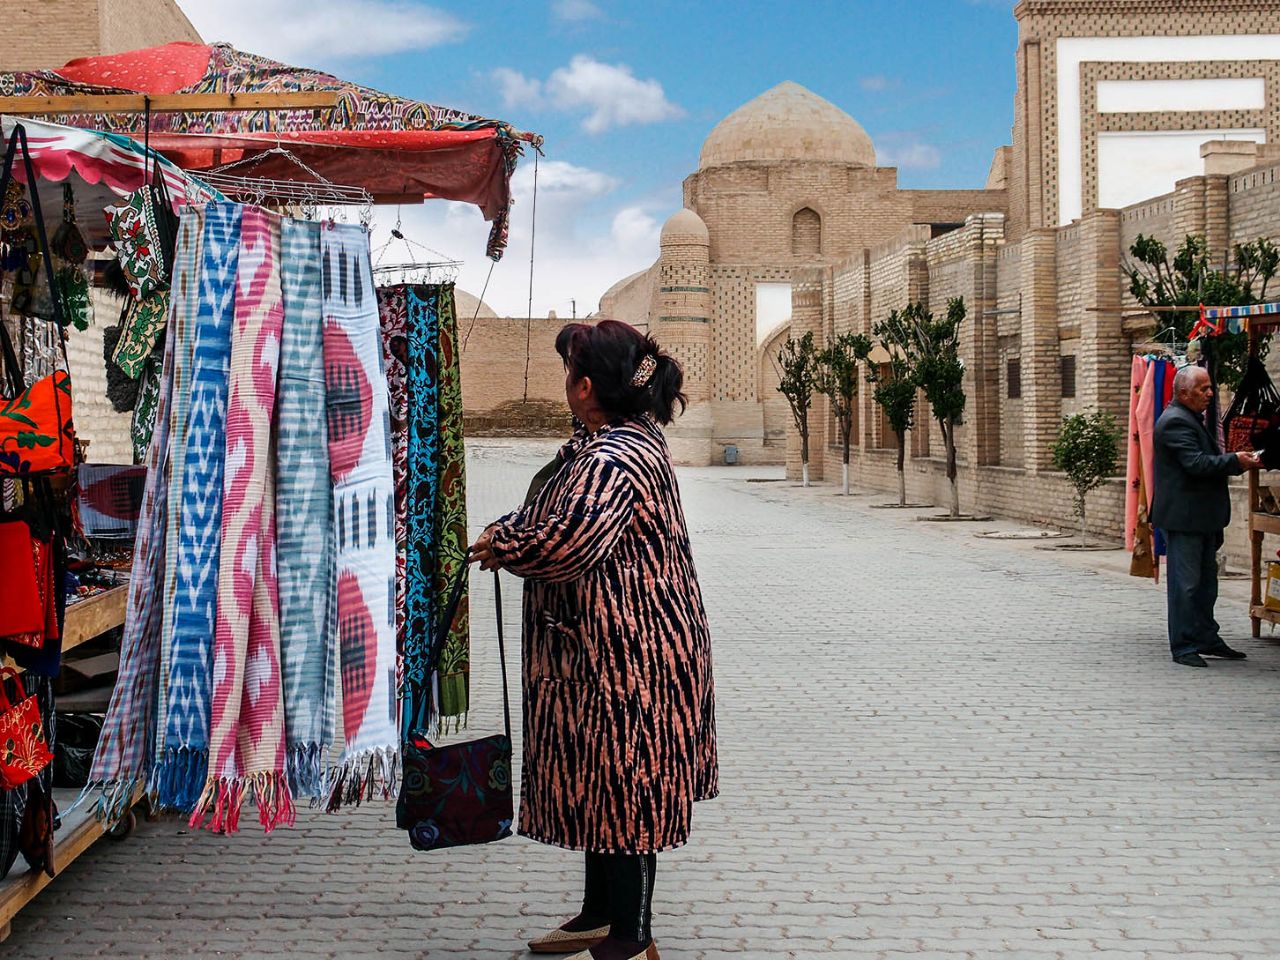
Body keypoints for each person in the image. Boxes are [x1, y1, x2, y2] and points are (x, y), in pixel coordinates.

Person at [470, 320, 719, 960]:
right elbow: (553, 512)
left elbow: (569, 540)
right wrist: (511, 529)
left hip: (632, 653)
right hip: (600, 647)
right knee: (596, 780)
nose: (563, 384)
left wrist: (506, 544)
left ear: (585, 387)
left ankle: (632, 939)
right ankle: (598, 915)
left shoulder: (617, 457)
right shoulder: (608, 442)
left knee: (626, 785)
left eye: (567, 373)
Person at [1151, 364, 1262, 667]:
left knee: (1205, 583)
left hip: (1202, 517)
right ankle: (1184, 645)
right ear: (1184, 392)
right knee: (1186, 584)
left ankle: (1205, 636)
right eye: (1203, 389)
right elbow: (1196, 464)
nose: (1210, 394)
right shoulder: (1175, 422)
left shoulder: (1190, 418)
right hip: (1184, 518)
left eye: (1210, 387)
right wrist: (1235, 461)